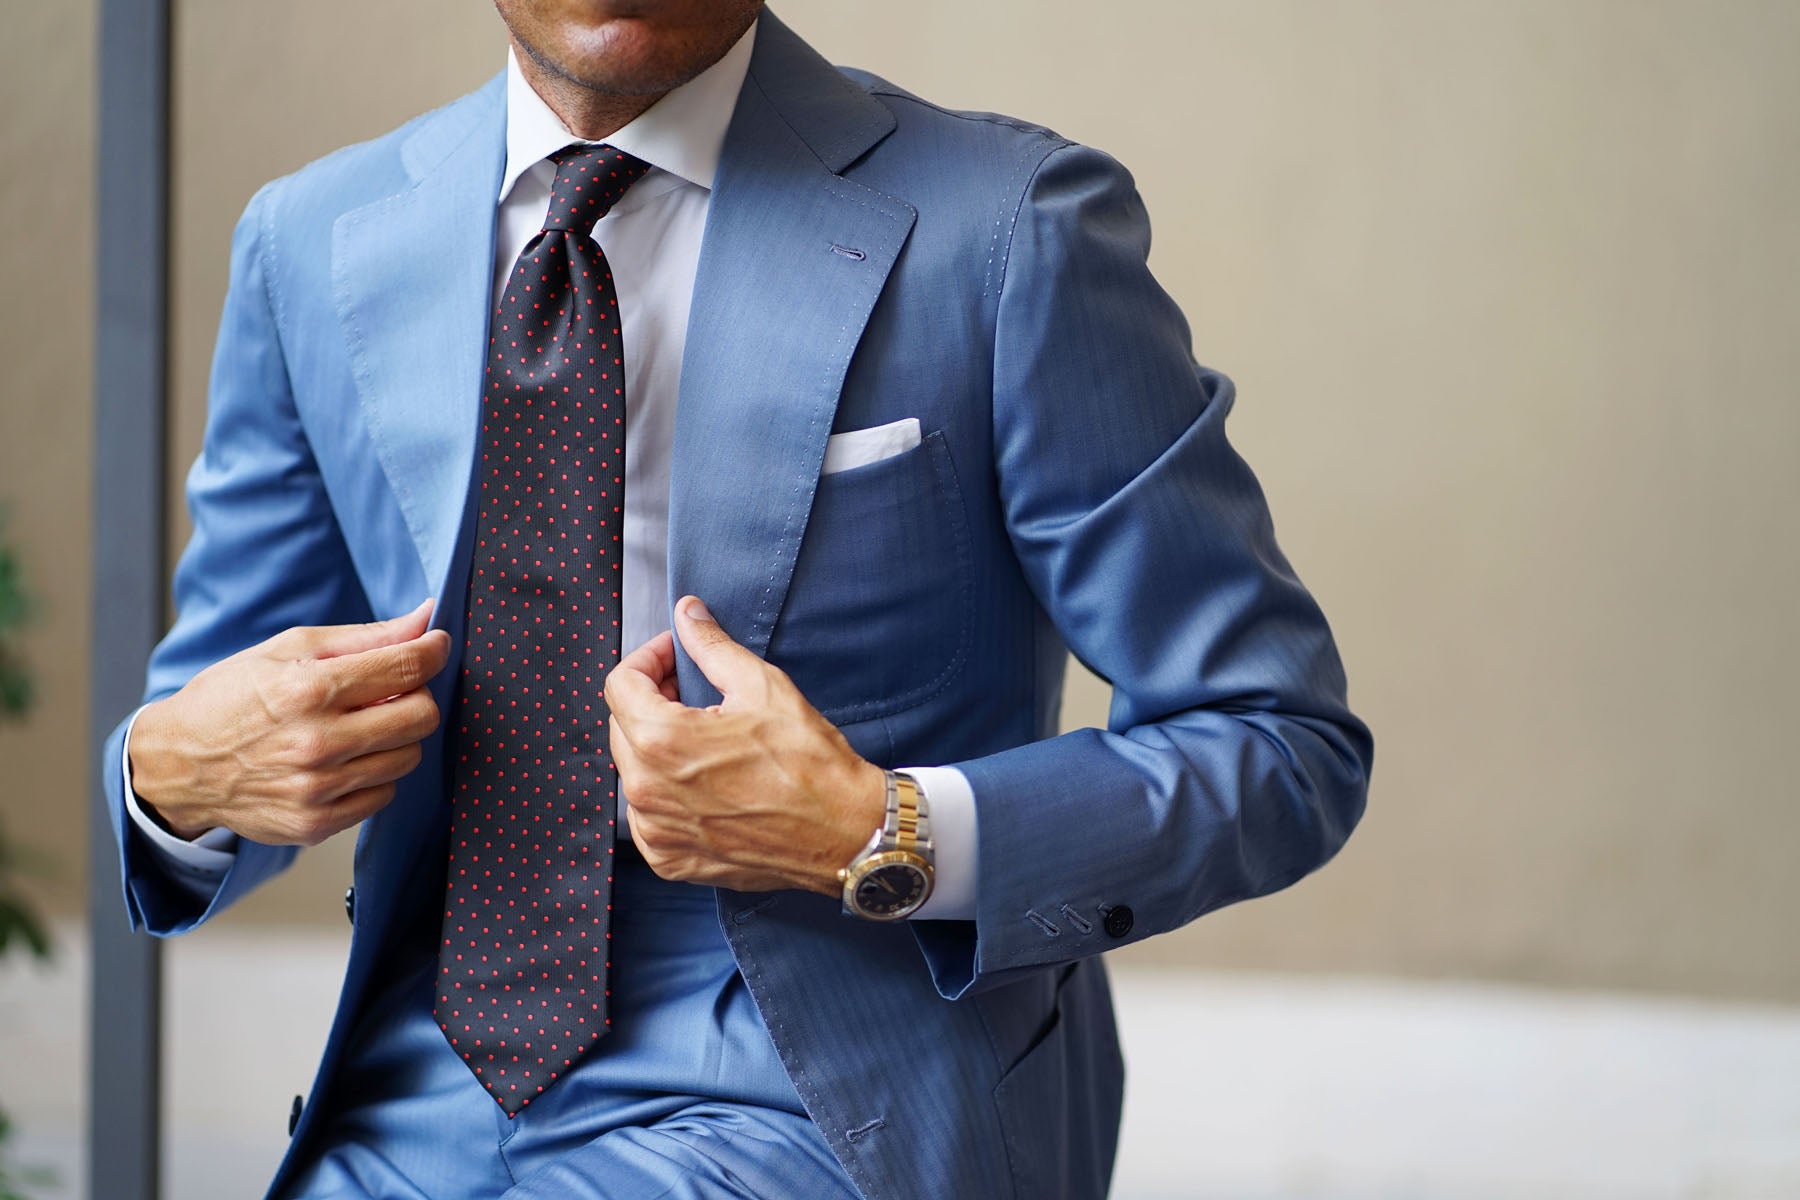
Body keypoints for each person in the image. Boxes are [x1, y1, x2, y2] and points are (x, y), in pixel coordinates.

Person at [101, 2, 1374, 1197]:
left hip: (812, 1077)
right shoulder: (308, 242)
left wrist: (882, 828)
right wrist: (170, 783)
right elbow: (223, 714)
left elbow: (1279, 741)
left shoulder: (1011, 229)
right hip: (410, 1078)